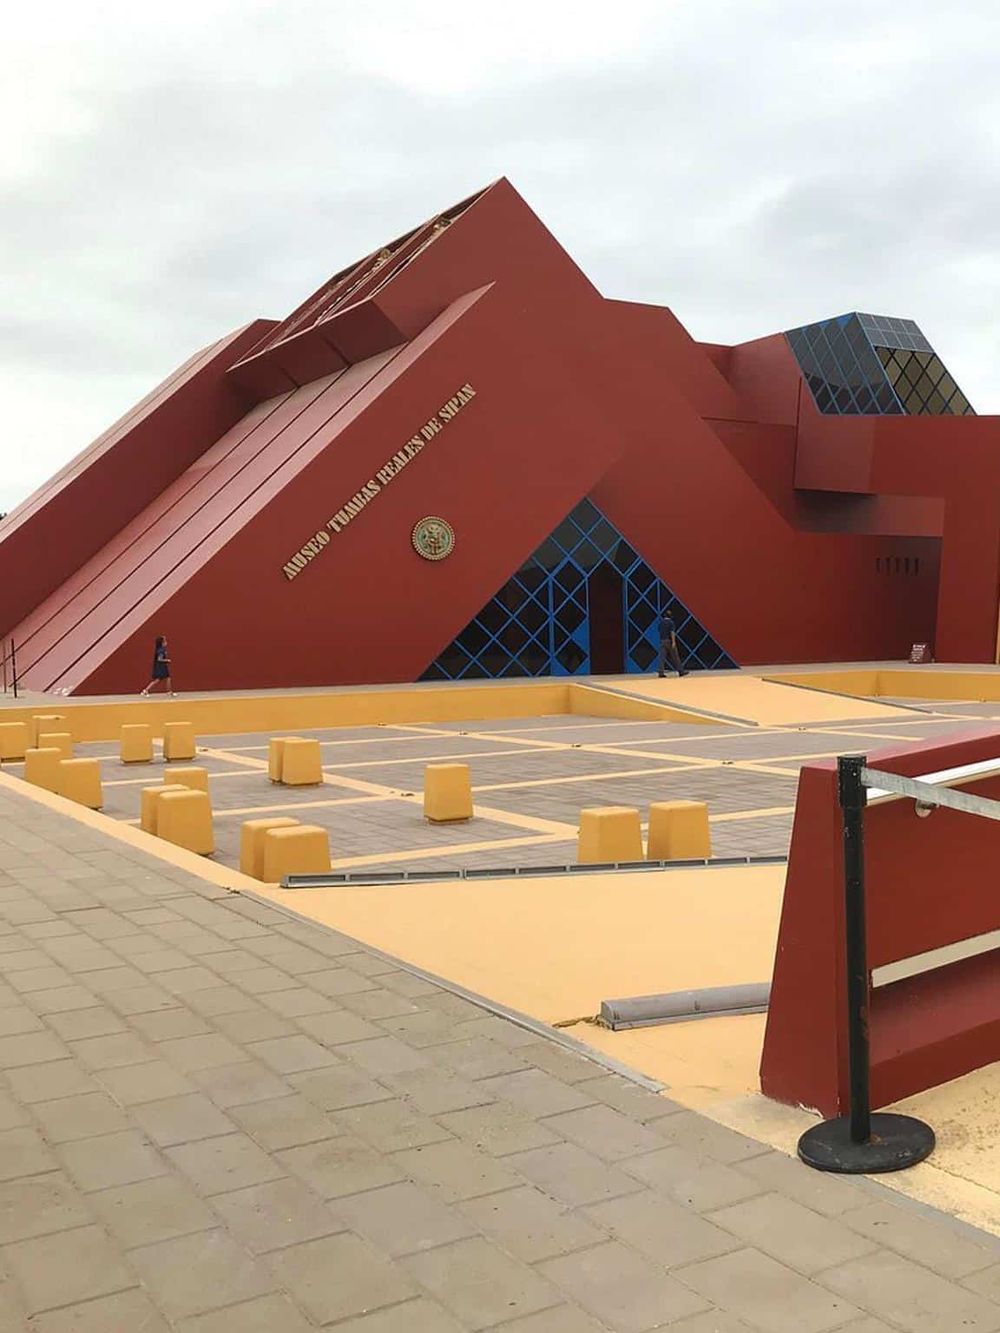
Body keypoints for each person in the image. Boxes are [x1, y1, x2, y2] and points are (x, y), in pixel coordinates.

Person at [657, 608, 688, 677]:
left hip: (662, 641)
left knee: (662, 658)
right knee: (675, 657)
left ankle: (660, 673)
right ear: (670, 616)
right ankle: (681, 671)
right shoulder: (671, 622)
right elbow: (672, 632)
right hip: (669, 641)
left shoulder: (661, 622)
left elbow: (659, 630)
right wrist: (674, 642)